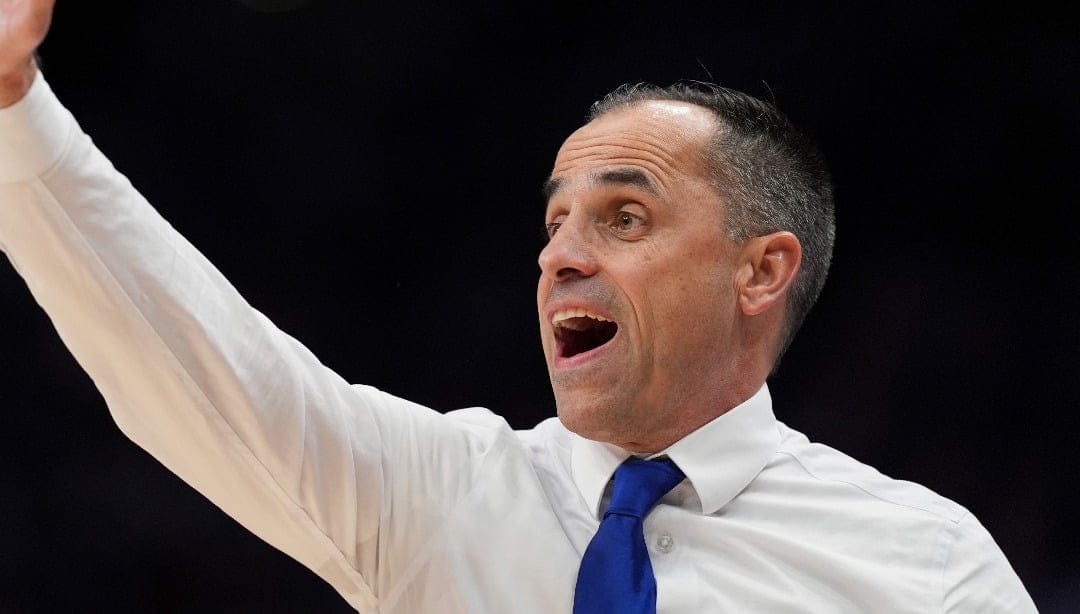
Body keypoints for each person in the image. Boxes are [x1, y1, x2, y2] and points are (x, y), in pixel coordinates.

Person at [0, 2, 1038, 612]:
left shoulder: (927, 562)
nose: (562, 257)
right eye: (555, 224)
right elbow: (201, 362)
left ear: (760, 270)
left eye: (625, 216)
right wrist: (14, 101)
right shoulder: (437, 491)